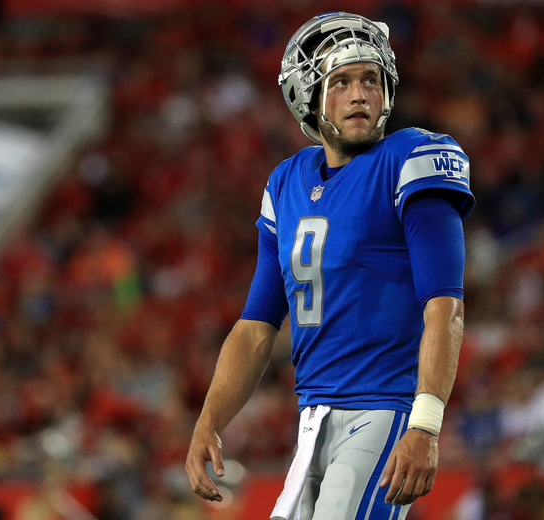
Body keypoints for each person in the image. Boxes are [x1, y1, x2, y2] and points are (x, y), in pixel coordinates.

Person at [185, 11, 474, 520]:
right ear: (308, 96)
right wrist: (209, 419)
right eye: (340, 82)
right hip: (313, 417)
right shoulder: (287, 180)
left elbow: (445, 306)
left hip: (382, 408)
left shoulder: (410, 157)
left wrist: (425, 424)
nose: (359, 95)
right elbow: (256, 327)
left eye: (370, 79)